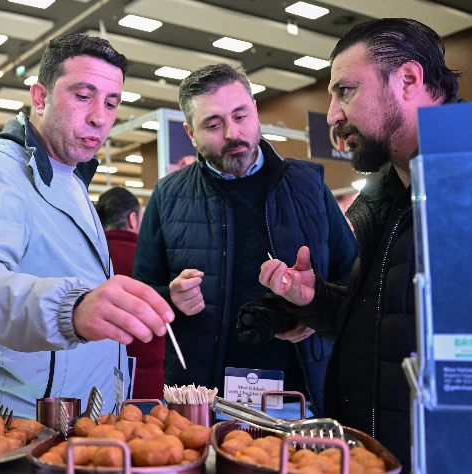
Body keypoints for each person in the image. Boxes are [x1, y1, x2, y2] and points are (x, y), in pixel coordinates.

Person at [255, 19, 464, 471]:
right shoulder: (386, 197)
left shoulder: (459, 187)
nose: (331, 114)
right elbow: (390, 324)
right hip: (368, 454)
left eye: (345, 91)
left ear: (408, 80)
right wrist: (315, 302)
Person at [0, 33, 174, 418]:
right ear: (40, 97)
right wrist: (72, 309)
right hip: (9, 426)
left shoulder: (71, 178)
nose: (100, 116)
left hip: (71, 422)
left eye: (111, 102)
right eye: (83, 96)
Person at [134, 64, 357, 416]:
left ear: (254, 110)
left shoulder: (309, 185)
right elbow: (143, 294)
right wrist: (170, 298)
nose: (232, 133)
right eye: (213, 124)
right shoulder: (168, 195)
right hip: (201, 400)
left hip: (301, 394)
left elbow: (353, 276)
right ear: (191, 133)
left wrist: (317, 312)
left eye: (240, 115)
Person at [95, 187, 164, 400]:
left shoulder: (87, 260)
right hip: (148, 382)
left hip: (95, 385)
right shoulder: (153, 260)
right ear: (133, 219)